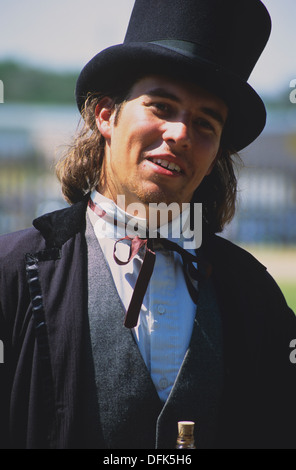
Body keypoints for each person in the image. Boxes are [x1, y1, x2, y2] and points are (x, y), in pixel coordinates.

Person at [0, 0, 295, 450]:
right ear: (105, 115)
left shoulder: (255, 294)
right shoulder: (12, 274)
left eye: (204, 123)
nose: (179, 133)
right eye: (161, 106)